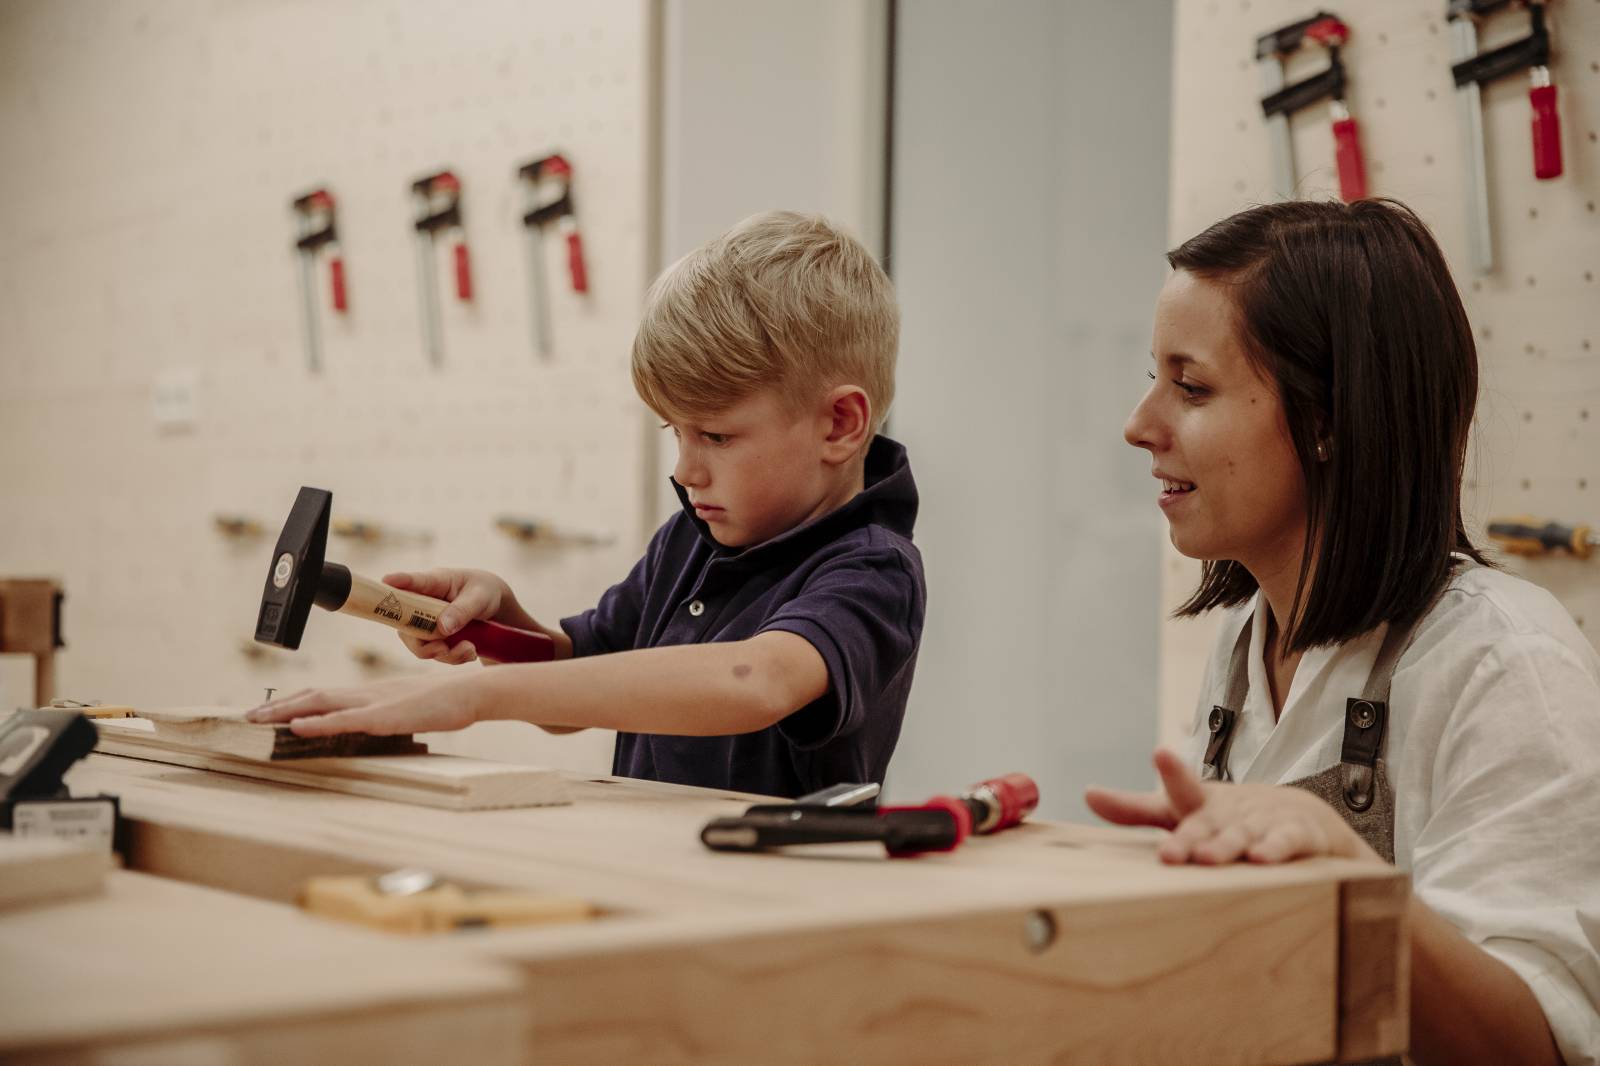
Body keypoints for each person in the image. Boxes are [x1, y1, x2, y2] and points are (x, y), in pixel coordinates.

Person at [1088, 198, 1600, 1065]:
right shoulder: (1247, 647)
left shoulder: (1506, 664)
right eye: (1153, 378)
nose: (1140, 426)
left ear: (1326, 422)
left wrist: (1348, 879)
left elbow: (1537, 1047)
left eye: (1192, 386)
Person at [249, 211, 926, 798]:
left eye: (716, 435)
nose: (686, 470)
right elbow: (571, 691)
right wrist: (501, 626)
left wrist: (475, 697)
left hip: (781, 905)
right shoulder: (688, 542)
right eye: (676, 433)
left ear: (839, 425)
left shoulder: (872, 570)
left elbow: (758, 679)